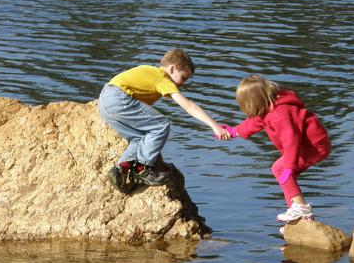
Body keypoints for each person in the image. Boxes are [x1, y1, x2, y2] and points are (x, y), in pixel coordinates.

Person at [98, 48, 230, 193]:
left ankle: (120, 170)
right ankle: (141, 170)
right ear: (172, 68)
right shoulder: (162, 78)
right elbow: (188, 106)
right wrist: (214, 125)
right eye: (184, 78)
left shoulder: (149, 70)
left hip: (104, 101)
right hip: (118, 98)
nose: (183, 84)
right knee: (161, 125)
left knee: (139, 138)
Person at [219, 75, 331, 223]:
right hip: (307, 146)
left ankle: (302, 207)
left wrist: (290, 167)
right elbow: (253, 124)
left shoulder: (280, 114)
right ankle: (300, 216)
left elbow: (291, 139)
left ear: (252, 102)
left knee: (279, 169)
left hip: (313, 146)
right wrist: (234, 131)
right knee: (282, 174)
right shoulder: (267, 108)